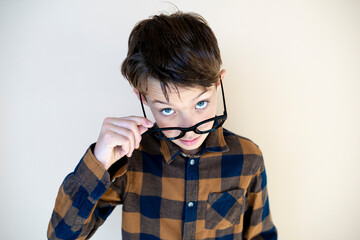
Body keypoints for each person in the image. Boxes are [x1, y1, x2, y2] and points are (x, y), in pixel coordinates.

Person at [47, 11, 277, 240]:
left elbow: (261, 236)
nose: (188, 127)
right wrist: (98, 162)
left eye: (201, 103)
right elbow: (61, 237)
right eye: (168, 110)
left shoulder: (248, 158)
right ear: (143, 99)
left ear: (218, 84)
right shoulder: (130, 159)